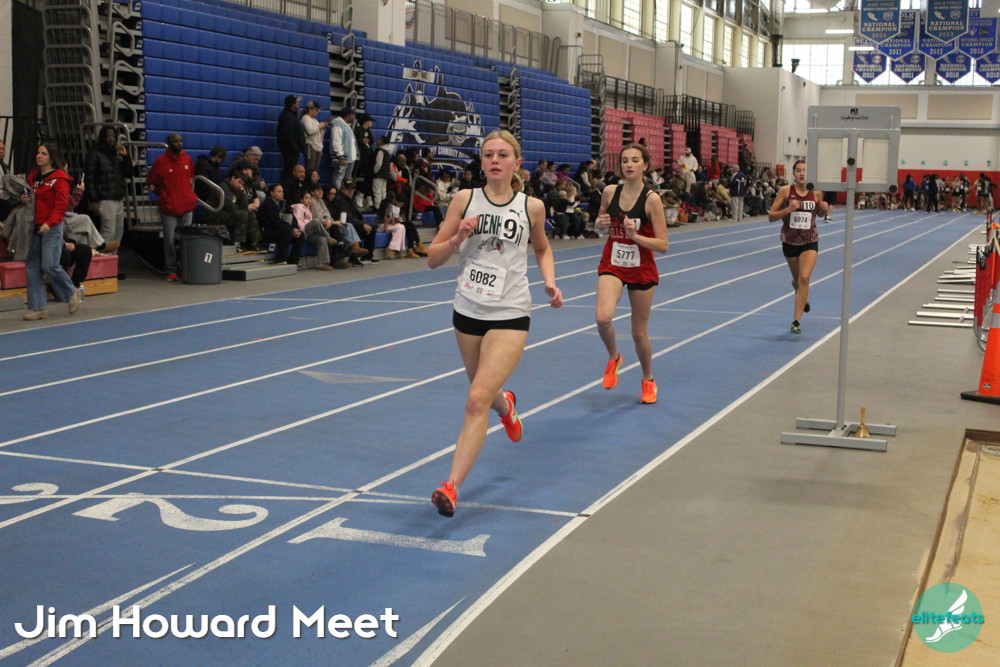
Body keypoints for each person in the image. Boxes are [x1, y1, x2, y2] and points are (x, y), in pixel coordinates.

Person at [425, 129, 563, 517]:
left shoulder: (531, 206)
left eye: (503, 154)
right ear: (481, 162)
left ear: (517, 162)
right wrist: (457, 239)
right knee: (484, 394)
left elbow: (542, 248)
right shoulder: (464, 200)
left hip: (511, 312)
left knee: (475, 400)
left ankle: (451, 486)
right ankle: (506, 405)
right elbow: (432, 258)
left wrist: (550, 282)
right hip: (468, 310)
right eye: (488, 155)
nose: (495, 160)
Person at [593, 143, 669, 405]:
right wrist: (599, 223)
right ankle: (614, 357)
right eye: (625, 160)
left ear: (645, 165)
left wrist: (635, 236)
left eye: (635, 160)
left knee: (638, 333)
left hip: (641, 268)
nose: (629, 165)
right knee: (603, 318)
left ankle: (648, 379)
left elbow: (663, 245)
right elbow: (600, 223)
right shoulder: (609, 192)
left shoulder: (651, 200)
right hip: (613, 263)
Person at [768, 159, 829, 335]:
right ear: (793, 174)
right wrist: (788, 210)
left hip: (810, 240)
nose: (802, 173)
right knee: (797, 281)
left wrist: (824, 209)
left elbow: (820, 214)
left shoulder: (816, 192)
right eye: (799, 170)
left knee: (804, 277)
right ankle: (802, 295)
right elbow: (771, 216)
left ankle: (796, 321)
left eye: (805, 170)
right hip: (790, 241)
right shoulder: (785, 191)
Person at [23, 143, 80, 321]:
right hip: (34, 226)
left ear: (51, 158)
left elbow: (61, 205)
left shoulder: (60, 178)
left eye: (44, 153)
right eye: (38, 152)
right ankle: (38, 307)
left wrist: (50, 222)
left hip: (52, 227)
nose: (39, 156)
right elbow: (30, 198)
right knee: (32, 266)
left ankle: (70, 291)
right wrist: (23, 198)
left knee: (49, 265)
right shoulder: (33, 177)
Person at [146, 133, 198, 282]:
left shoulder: (187, 159)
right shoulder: (161, 162)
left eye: (180, 141)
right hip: (169, 208)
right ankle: (171, 270)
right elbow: (151, 182)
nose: (179, 143)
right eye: (176, 141)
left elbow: (191, 178)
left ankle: (185, 268)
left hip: (187, 206)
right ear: (169, 143)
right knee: (169, 239)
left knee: (185, 239)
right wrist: (164, 195)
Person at [83, 125, 132, 252]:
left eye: (113, 136)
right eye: (108, 136)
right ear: (102, 137)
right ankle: (101, 261)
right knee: (108, 233)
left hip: (118, 197)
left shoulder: (117, 153)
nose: (111, 139)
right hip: (105, 198)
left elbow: (128, 173)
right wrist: (93, 201)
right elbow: (89, 178)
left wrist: (125, 156)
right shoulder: (94, 153)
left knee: (119, 232)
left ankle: (112, 262)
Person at [258, 183, 304, 266]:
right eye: (279, 191)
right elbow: (275, 221)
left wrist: (295, 228)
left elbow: (292, 218)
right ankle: (281, 259)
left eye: (282, 191)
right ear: (272, 193)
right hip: (270, 232)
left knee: (300, 235)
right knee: (286, 232)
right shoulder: (268, 204)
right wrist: (291, 229)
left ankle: (293, 261)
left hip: (285, 230)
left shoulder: (284, 203)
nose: (282, 193)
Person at [276, 95, 305, 178]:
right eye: (297, 102)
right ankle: (286, 185)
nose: (298, 104)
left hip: (292, 149)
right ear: (293, 104)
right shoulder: (288, 117)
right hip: (290, 150)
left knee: (291, 170)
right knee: (289, 170)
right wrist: (296, 147)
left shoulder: (292, 116)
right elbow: (288, 135)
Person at [329, 107, 358, 188]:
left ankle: (346, 195)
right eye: (353, 115)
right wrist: (340, 156)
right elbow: (336, 141)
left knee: (348, 180)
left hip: (350, 159)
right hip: (342, 158)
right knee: (338, 178)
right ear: (349, 115)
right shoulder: (338, 124)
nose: (354, 117)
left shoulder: (347, 126)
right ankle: (337, 194)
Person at [300, 100, 328, 174]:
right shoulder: (305, 118)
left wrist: (323, 127)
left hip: (318, 145)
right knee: (310, 169)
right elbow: (310, 131)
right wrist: (319, 126)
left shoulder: (315, 120)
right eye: (316, 110)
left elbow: (318, 133)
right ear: (310, 109)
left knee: (315, 170)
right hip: (310, 145)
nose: (317, 112)